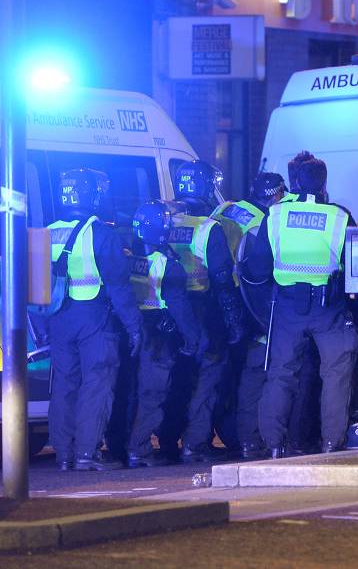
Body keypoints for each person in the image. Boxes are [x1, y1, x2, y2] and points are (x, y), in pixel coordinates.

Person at [243, 151, 358, 456]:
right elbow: (355, 267)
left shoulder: (277, 214)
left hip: (287, 307)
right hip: (328, 308)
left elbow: (257, 268)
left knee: (280, 373)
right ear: (323, 184)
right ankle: (331, 443)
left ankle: (272, 445)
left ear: (295, 183)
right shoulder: (339, 216)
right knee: (335, 373)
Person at [47, 169, 143, 471]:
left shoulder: (48, 231)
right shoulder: (100, 232)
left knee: (63, 384)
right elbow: (119, 286)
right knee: (97, 382)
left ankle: (63, 454)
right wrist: (134, 327)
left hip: (58, 316)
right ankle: (88, 453)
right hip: (93, 317)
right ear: (90, 195)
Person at [163, 161, 245, 462]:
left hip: (168, 312)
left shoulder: (165, 220)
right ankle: (195, 443)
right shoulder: (209, 228)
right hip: (203, 310)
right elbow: (223, 280)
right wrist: (234, 322)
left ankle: (169, 441)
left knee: (178, 379)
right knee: (207, 378)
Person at [211, 172, 288, 458]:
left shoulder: (225, 207)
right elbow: (258, 273)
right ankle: (249, 439)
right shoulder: (262, 222)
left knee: (225, 376)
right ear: (276, 193)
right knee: (254, 374)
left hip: (216, 301)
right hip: (244, 303)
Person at [126, 201, 204, 467]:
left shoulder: (129, 258)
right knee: (153, 394)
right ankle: (139, 448)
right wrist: (193, 340)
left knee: (131, 392)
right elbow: (181, 309)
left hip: (133, 330)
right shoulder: (168, 266)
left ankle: (123, 445)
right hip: (159, 337)